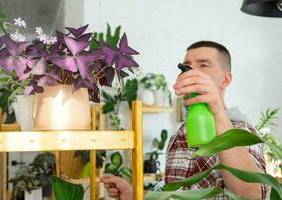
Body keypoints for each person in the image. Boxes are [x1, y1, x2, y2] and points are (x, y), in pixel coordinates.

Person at [101, 41, 269, 199]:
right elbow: (177, 194)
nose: (190, 71)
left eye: (204, 65)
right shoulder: (180, 134)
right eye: (187, 65)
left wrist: (217, 111)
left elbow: (252, 196)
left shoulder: (242, 132)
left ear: (226, 79)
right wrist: (135, 195)